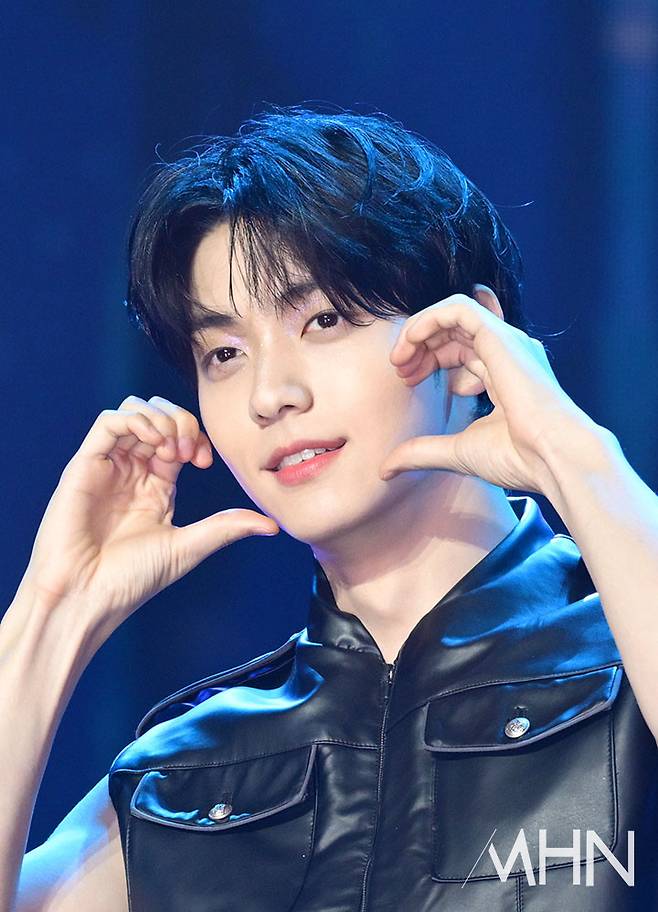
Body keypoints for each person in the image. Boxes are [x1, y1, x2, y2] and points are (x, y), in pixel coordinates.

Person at [3, 105, 658, 911]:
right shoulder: (184, 778)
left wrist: (576, 460)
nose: (271, 395)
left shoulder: (624, 658)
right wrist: (53, 610)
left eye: (323, 319)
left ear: (468, 343)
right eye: (224, 354)